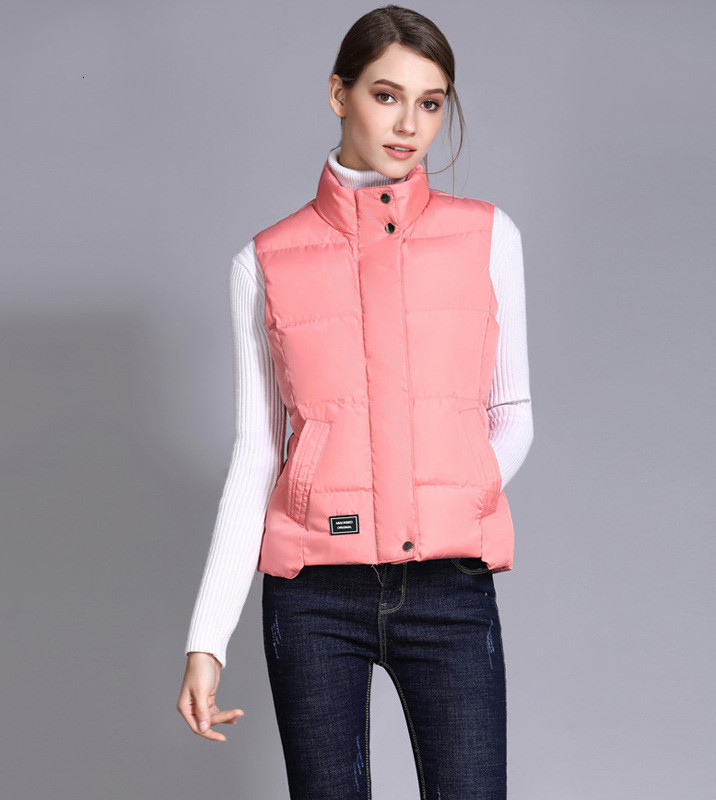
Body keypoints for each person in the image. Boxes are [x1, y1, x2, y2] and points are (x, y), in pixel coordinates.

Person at [177, 5, 533, 798]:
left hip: (449, 587)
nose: (409, 124)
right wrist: (208, 637)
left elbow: (512, 413)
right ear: (339, 93)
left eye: (430, 102)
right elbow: (258, 452)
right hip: (313, 597)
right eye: (385, 95)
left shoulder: (489, 237)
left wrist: (458, 500)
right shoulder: (264, 262)